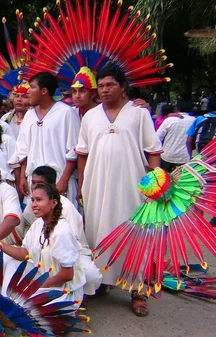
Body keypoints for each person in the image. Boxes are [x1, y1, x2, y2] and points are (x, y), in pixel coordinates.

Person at [76, 66, 162, 316]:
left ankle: (137, 290)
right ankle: (100, 280)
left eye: (109, 85)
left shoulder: (139, 113)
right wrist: (82, 184)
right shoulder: (90, 116)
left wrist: (156, 182)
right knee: (97, 232)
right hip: (96, 185)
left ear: (123, 86)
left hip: (131, 186)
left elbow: (153, 150)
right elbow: (83, 153)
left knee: (134, 234)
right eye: (101, 86)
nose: (104, 90)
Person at [0, 183, 85, 307]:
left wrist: (36, 287)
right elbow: (24, 254)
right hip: (42, 278)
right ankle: (6, 302)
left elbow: (67, 275)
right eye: (33, 200)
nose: (34, 204)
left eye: (39, 200)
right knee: (12, 264)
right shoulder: (38, 224)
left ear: (54, 203)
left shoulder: (62, 231)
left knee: (24, 303)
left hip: (62, 291)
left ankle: (9, 305)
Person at [20, 165, 102, 296]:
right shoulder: (34, 204)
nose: (34, 187)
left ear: (52, 186)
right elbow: (27, 238)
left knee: (89, 274)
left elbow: (69, 248)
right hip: (43, 252)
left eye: (39, 183)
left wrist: (39, 287)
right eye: (33, 182)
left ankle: (76, 294)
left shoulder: (66, 211)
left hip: (71, 254)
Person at [15, 72, 80, 205]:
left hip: (59, 181)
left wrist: (64, 179)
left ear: (44, 91)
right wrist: (23, 177)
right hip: (33, 182)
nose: (28, 91)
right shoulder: (29, 115)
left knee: (62, 221)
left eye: (32, 87)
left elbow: (74, 150)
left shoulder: (66, 112)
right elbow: (23, 150)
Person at [156, 104, 195, 172]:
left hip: (167, 155)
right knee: (180, 180)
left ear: (177, 109)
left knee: (163, 178)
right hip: (184, 157)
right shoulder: (194, 120)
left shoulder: (169, 120)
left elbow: (158, 137)